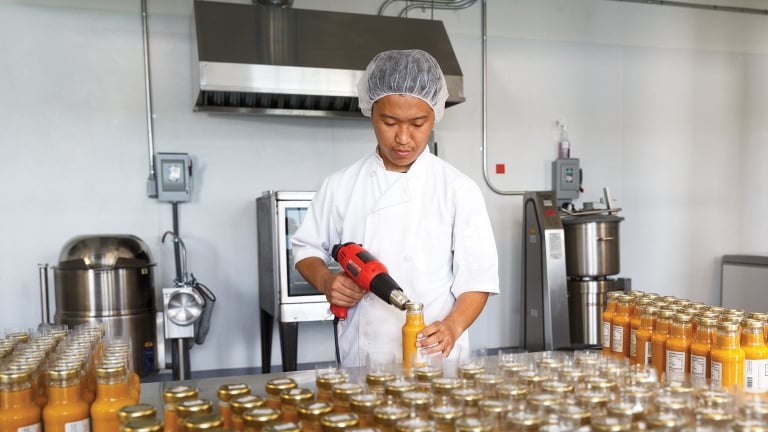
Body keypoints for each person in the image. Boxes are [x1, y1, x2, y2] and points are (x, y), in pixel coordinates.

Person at [291, 49, 499, 368]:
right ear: (370, 113)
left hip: (435, 356)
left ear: (435, 115)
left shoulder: (458, 189)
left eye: (418, 123)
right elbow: (306, 250)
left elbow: (477, 279)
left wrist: (453, 326)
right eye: (389, 122)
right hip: (364, 357)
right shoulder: (340, 185)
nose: (403, 138)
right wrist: (326, 282)